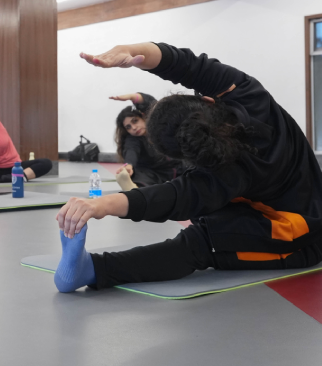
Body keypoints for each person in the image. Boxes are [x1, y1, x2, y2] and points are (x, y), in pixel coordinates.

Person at [53, 41, 322, 293]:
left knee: (204, 241)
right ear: (207, 101)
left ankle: (93, 270)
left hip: (304, 237)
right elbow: (189, 65)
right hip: (283, 202)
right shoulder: (250, 96)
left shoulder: (221, 175)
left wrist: (101, 205)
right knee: (203, 214)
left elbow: (172, 197)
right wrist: (131, 50)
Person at [110, 92, 184, 191]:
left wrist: (133, 97)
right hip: (154, 173)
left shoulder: (160, 126)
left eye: (135, 121)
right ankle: (135, 191)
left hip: (178, 168)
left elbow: (153, 105)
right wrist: (128, 165)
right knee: (137, 174)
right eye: (128, 127)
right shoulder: (132, 139)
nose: (134, 128)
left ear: (143, 117)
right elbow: (131, 150)